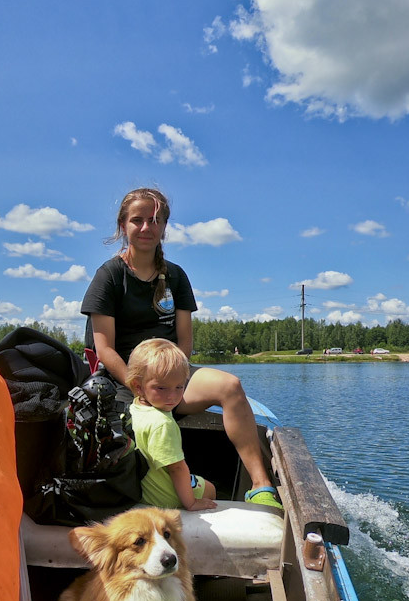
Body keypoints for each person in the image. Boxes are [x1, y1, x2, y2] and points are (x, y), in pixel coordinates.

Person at [81, 187, 283, 510]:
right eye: (138, 220)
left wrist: (171, 382)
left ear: (163, 227)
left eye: (155, 220)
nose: (147, 227)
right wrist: (139, 387)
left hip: (173, 377)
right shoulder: (109, 277)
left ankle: (260, 486)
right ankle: (150, 495)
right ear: (123, 226)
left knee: (230, 387)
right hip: (125, 384)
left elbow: (185, 341)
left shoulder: (175, 276)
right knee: (130, 429)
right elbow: (104, 348)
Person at [126, 338, 217, 511]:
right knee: (210, 488)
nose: (172, 396)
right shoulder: (162, 423)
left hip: (143, 492)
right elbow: (176, 469)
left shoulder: (133, 408)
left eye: (179, 387)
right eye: (161, 388)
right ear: (138, 387)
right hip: (164, 499)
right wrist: (191, 503)